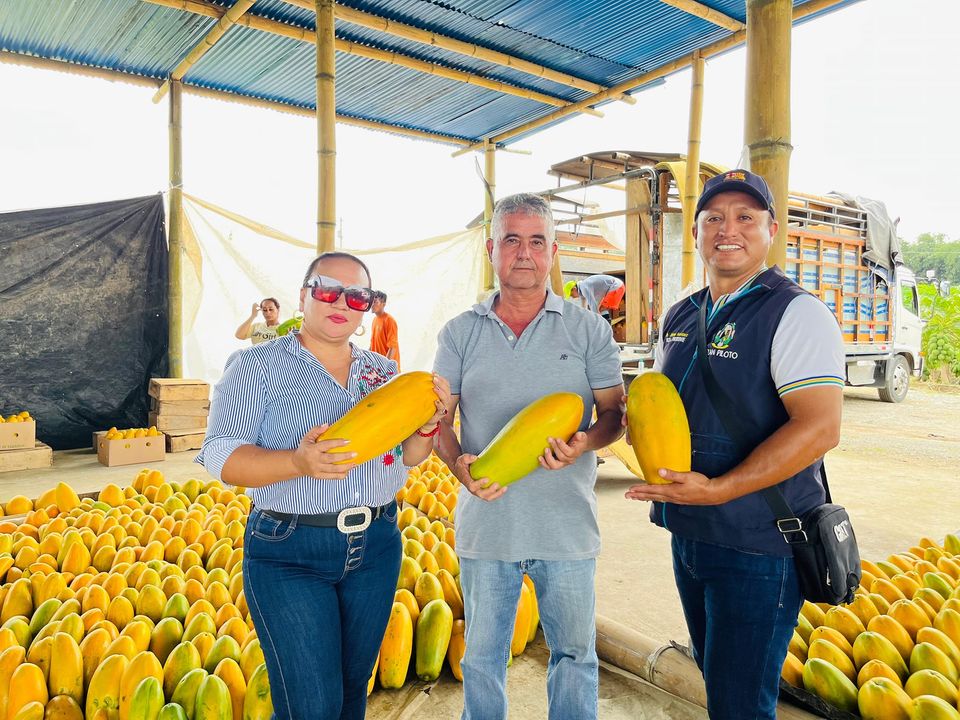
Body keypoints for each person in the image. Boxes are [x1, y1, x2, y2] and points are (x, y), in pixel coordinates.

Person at [623, 169, 844, 720]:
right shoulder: (681, 313)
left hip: (759, 545)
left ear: (771, 230)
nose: (728, 229)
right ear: (697, 231)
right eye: (714, 218)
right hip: (691, 533)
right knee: (717, 685)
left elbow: (820, 427)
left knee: (739, 705)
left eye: (746, 217)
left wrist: (721, 489)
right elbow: (664, 409)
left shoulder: (795, 312)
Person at [198, 251, 451, 720]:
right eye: (328, 289)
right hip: (290, 549)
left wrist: (428, 426)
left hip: (376, 545)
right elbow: (221, 456)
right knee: (311, 705)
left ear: (367, 306)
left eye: (357, 296)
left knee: (354, 690)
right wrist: (296, 461)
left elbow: (409, 456)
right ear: (303, 296)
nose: (341, 302)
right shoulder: (256, 365)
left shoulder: (384, 373)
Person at [433, 193, 624, 720]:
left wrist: (587, 441)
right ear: (491, 249)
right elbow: (438, 421)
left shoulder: (588, 329)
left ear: (553, 251)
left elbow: (614, 414)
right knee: (482, 659)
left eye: (537, 241)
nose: (524, 253)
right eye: (511, 240)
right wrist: (457, 464)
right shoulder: (459, 332)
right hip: (487, 522)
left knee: (574, 656)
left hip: (566, 527)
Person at [369, 290, 401, 370]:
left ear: (383, 304)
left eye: (375, 302)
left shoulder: (389, 320)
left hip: (389, 370)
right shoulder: (374, 320)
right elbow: (372, 345)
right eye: (371, 301)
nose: (372, 304)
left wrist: (385, 368)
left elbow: (392, 347)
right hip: (378, 368)